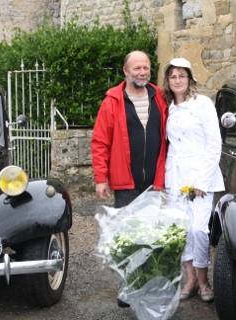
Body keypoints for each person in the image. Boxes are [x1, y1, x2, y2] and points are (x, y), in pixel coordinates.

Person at [91, 50, 168, 307]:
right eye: (136, 68)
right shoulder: (113, 101)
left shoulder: (160, 98)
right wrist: (101, 178)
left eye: (145, 67)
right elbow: (100, 141)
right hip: (126, 182)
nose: (142, 72)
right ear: (125, 71)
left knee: (152, 236)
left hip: (154, 181)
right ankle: (127, 287)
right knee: (127, 237)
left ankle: (148, 285)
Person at [162, 58, 225, 303]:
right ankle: (189, 280)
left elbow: (214, 144)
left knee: (199, 229)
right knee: (181, 229)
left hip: (200, 175)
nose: (178, 80)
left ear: (189, 79)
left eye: (182, 76)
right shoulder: (168, 107)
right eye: (173, 76)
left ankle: (203, 280)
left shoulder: (203, 104)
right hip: (175, 174)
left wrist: (202, 180)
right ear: (168, 81)